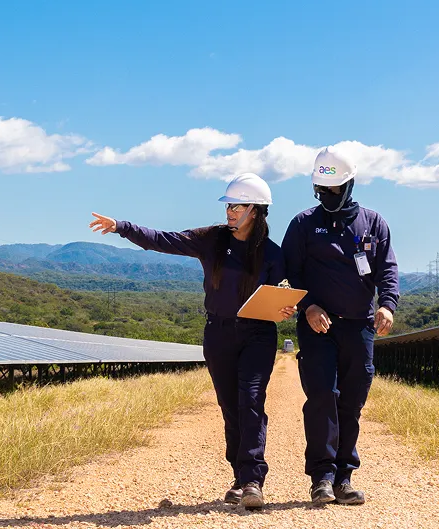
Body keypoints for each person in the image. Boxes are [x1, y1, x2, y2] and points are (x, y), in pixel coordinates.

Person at [89, 173, 294, 509]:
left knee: (251, 400)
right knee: (230, 407)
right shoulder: (212, 239)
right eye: (228, 205)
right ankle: (240, 478)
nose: (229, 211)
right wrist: (121, 226)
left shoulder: (272, 254)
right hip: (218, 333)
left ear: (255, 211)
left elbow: (281, 294)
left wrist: (285, 308)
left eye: (236, 206)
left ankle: (254, 478)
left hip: (258, 334)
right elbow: (164, 239)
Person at [281, 147, 399, 506]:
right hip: (319, 328)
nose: (327, 197)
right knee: (322, 398)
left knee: (351, 402)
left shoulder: (374, 223)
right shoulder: (303, 224)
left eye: (333, 190)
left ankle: (344, 478)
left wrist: (387, 305)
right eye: (321, 191)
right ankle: (322, 478)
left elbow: (387, 270)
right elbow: (289, 273)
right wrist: (309, 305)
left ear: (349, 185)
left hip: (359, 328)